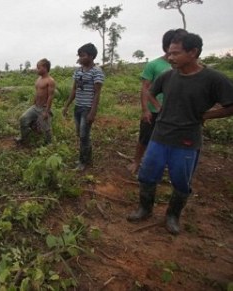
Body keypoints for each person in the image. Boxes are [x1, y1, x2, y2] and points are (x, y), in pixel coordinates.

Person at [127, 33, 233, 235]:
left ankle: (172, 216)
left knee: (181, 181)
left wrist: (207, 115)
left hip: (186, 139)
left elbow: (230, 105)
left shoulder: (213, 79)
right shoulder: (168, 76)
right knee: (148, 175)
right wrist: (159, 107)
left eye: (175, 53)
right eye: (169, 53)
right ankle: (145, 209)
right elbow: (149, 91)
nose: (170, 57)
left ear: (193, 52)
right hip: (160, 135)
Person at [128, 29, 187, 174]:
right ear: (167, 46)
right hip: (154, 111)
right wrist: (146, 109)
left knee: (171, 140)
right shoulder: (154, 65)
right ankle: (136, 161)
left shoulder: (186, 67)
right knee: (145, 138)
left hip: (175, 113)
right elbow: (145, 88)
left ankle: (164, 164)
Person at [63, 43, 104, 171]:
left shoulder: (96, 72)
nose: (80, 58)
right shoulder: (78, 71)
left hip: (87, 109)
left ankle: (82, 162)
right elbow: (74, 90)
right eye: (79, 55)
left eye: (83, 55)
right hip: (78, 107)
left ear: (91, 56)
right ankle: (88, 159)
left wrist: (92, 112)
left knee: (83, 135)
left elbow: (97, 93)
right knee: (81, 135)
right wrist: (66, 106)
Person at [16, 58, 56, 145]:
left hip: (43, 108)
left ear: (45, 68)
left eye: (38, 67)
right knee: (23, 119)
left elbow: (50, 97)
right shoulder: (38, 79)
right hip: (35, 107)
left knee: (46, 129)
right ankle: (24, 138)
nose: (36, 69)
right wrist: (33, 104)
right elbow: (37, 93)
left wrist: (46, 111)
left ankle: (49, 145)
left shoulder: (50, 81)